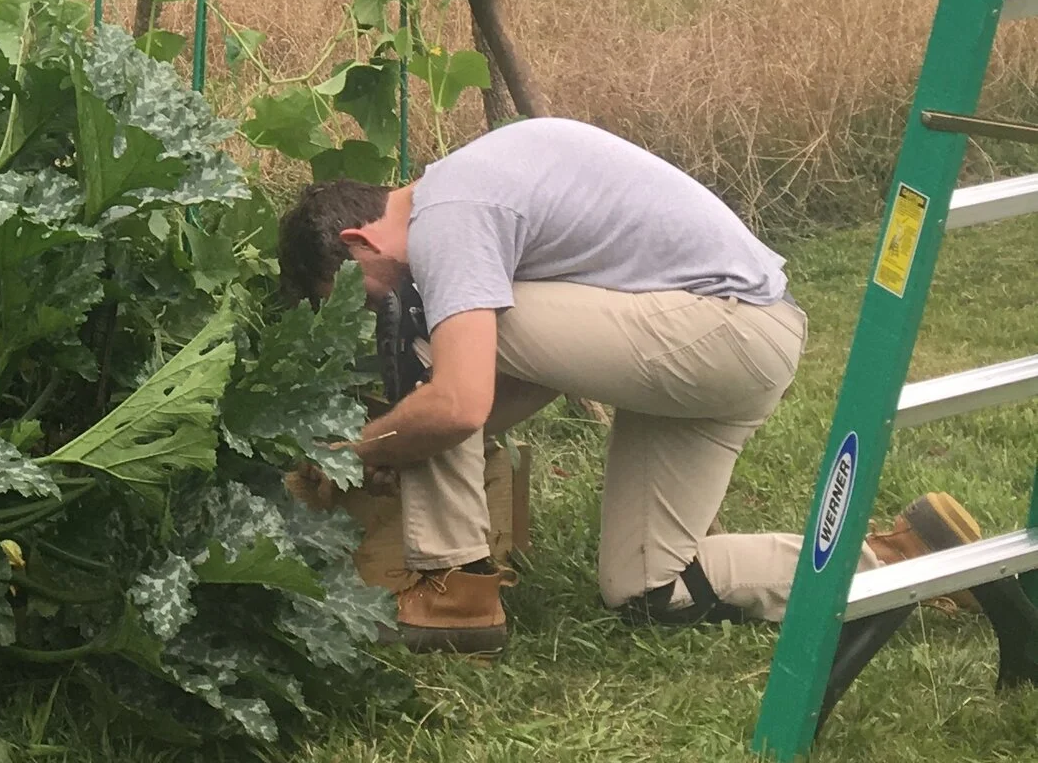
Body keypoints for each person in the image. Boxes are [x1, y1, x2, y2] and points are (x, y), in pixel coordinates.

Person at [277, 115, 979, 655]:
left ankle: (454, 594)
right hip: (720, 340)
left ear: (358, 244)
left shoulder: (446, 218)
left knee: (431, 323)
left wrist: (357, 452)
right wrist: (402, 446)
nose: (366, 313)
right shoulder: (468, 190)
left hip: (724, 325)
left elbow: (461, 401)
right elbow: (528, 373)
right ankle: (899, 560)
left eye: (354, 297)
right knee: (651, 588)